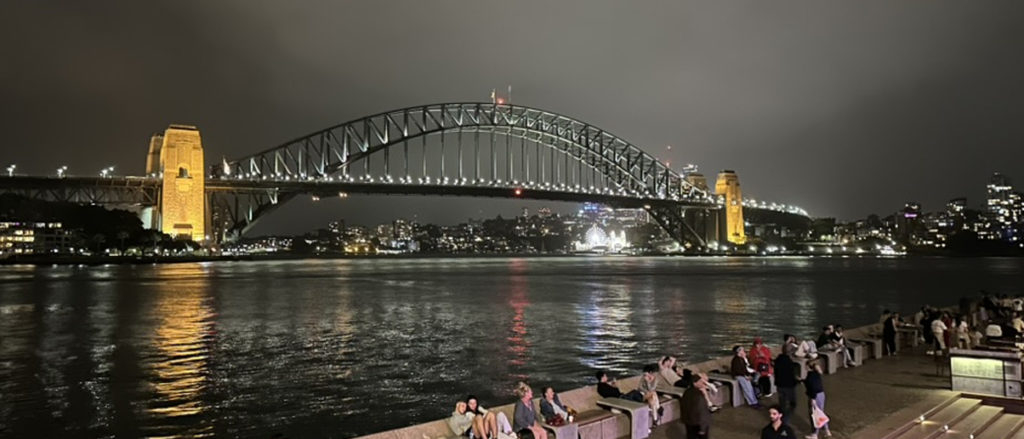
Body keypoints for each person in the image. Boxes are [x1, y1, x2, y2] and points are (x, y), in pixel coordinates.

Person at [804, 360, 831, 439]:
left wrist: (812, 398)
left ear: (808, 367)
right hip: (821, 394)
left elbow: (812, 387)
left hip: (815, 396)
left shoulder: (810, 376)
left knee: (815, 415)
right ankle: (827, 430)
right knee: (820, 413)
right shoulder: (816, 373)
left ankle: (815, 434)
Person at [681, 373, 712, 439]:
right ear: (694, 383)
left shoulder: (686, 393)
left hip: (688, 422)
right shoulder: (699, 395)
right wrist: (703, 428)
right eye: (700, 382)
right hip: (698, 423)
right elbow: (702, 411)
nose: (702, 383)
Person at [774, 343, 799, 424]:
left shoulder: (778, 360)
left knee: (782, 404)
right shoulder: (789, 362)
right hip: (789, 386)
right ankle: (785, 420)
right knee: (792, 404)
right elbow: (791, 375)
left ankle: (780, 418)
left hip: (779, 385)